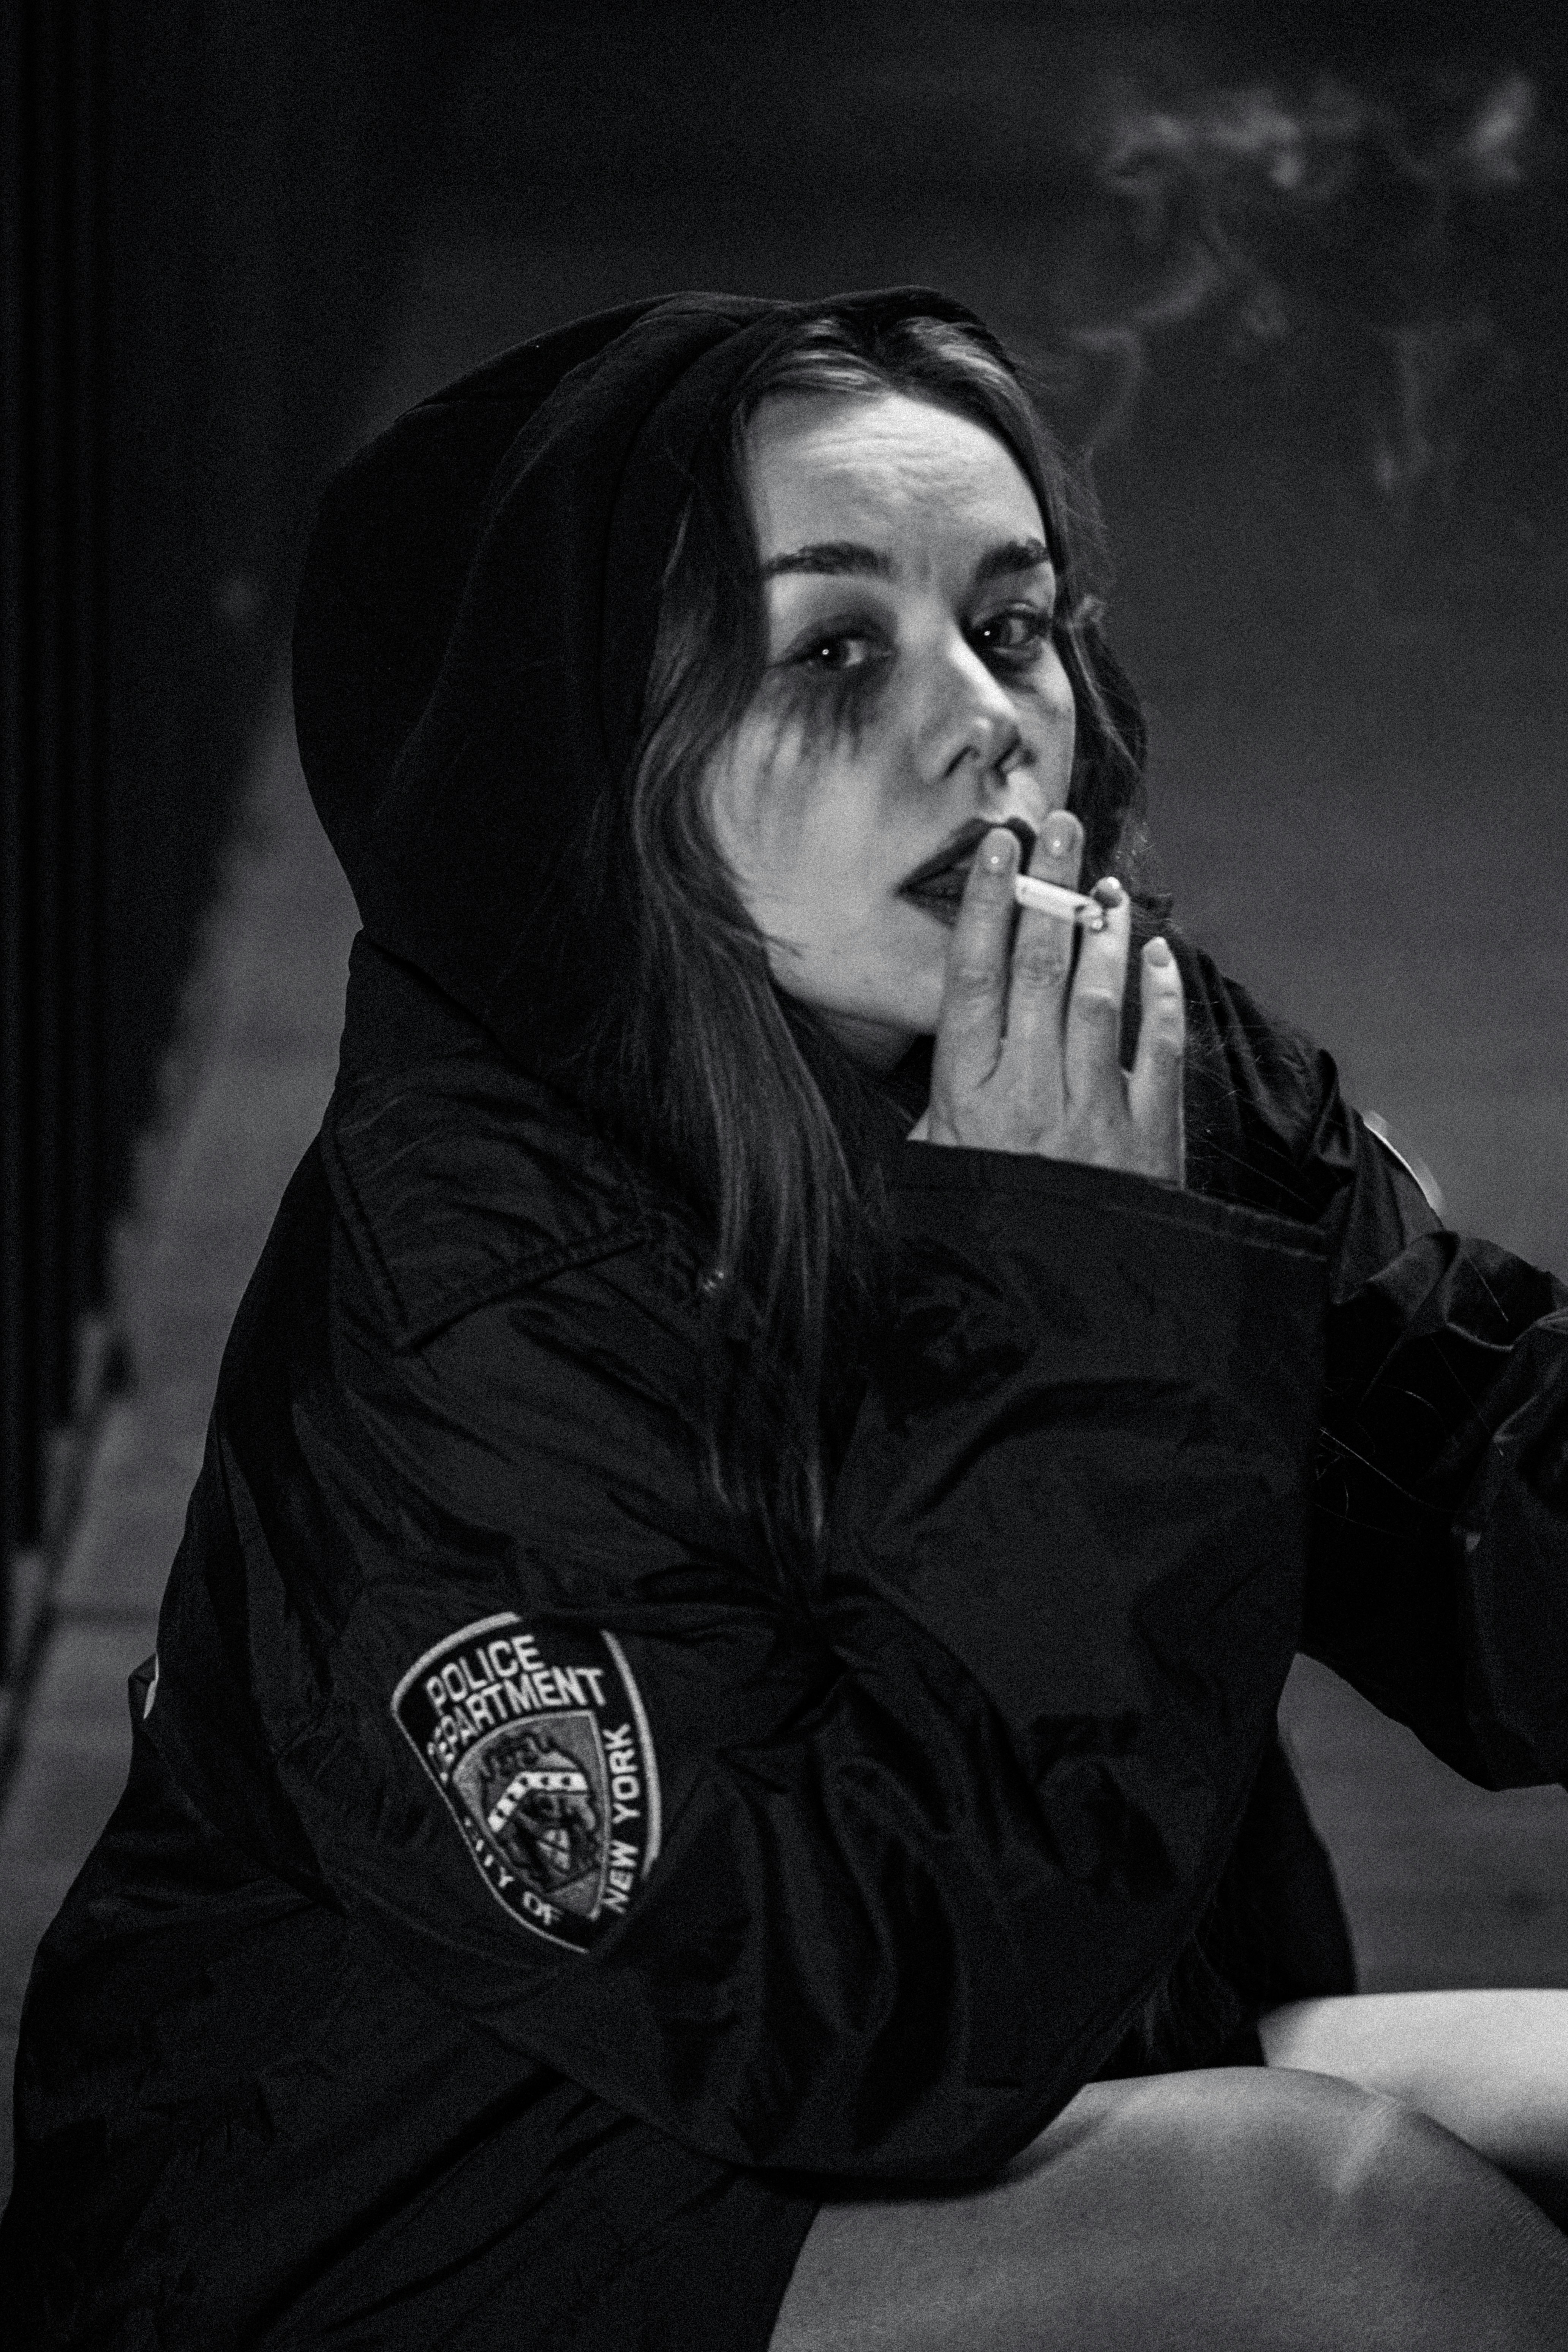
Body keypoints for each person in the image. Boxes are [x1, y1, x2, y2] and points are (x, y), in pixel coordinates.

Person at [4, 288, 1568, 2349]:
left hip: (968, 2047)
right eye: (835, 651)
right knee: (1362, 2239)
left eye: (1009, 625)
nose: (984, 720)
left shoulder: (1090, 1043)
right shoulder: (472, 1293)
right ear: (596, 778)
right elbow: (859, 2016)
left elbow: (1476, 1497)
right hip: (422, 2213)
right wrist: (1078, 1295)